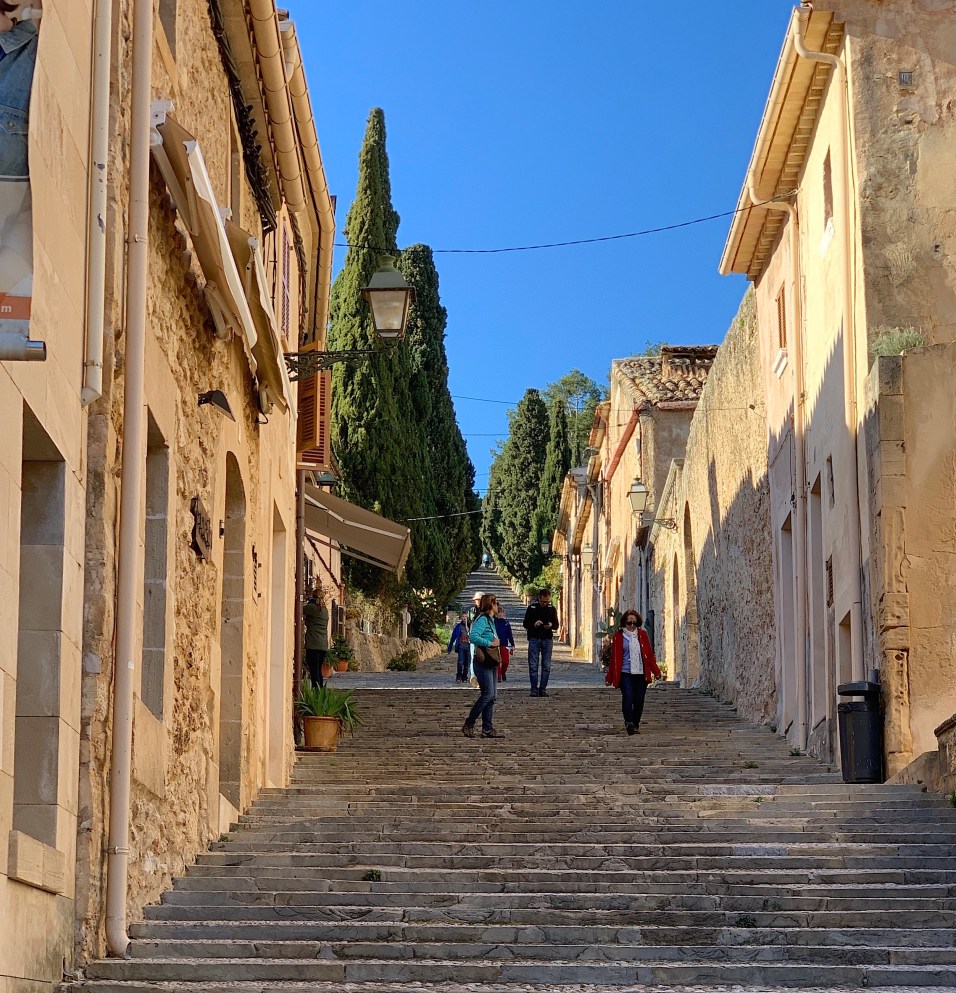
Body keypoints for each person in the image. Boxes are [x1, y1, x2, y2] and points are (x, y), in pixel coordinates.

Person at [604, 609, 662, 735]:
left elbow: (649, 655)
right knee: (628, 696)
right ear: (624, 623)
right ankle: (628, 722)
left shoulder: (642, 635)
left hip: (641, 673)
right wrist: (609, 677)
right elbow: (614, 659)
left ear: (638, 623)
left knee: (639, 700)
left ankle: (635, 723)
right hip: (625, 672)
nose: (632, 626)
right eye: (629, 623)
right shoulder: (618, 636)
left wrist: (656, 671)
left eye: (634, 623)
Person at [462, 593, 503, 739]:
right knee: (487, 695)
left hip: (491, 661)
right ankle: (469, 723)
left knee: (492, 697)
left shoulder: (491, 620)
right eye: (496, 603)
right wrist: (489, 643)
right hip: (482, 662)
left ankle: (487, 728)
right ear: (490, 605)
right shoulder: (483, 620)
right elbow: (473, 637)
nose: (498, 606)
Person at [522, 587, 559, 697]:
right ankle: (534, 689)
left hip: (547, 639)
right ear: (539, 598)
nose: (545, 603)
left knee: (546, 665)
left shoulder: (552, 609)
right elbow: (525, 624)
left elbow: (556, 625)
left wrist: (551, 625)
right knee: (533, 665)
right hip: (534, 638)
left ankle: (543, 689)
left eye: (547, 601)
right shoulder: (532, 608)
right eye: (543, 601)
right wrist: (534, 624)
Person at [302, 587, 330, 687]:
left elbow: (300, 609)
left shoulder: (311, 608)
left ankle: (316, 691)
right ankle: (320, 691)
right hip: (323, 644)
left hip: (313, 643)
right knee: (318, 670)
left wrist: (307, 600)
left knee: (314, 671)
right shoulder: (325, 610)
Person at [447, 610, 471, 683]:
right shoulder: (458, 626)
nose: (464, 618)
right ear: (461, 617)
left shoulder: (471, 626)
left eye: (466, 616)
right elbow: (453, 636)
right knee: (460, 662)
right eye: (463, 616)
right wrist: (450, 647)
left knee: (467, 663)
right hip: (461, 646)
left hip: (469, 647)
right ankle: (459, 676)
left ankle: (465, 676)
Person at [494, 603, 515, 681]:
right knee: (497, 661)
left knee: (505, 661)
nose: (500, 614)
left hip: (504, 644)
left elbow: (510, 635)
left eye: (501, 612)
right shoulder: (494, 622)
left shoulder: (506, 623)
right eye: (499, 612)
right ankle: (498, 676)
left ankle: (503, 672)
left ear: (504, 613)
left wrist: (512, 644)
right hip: (495, 644)